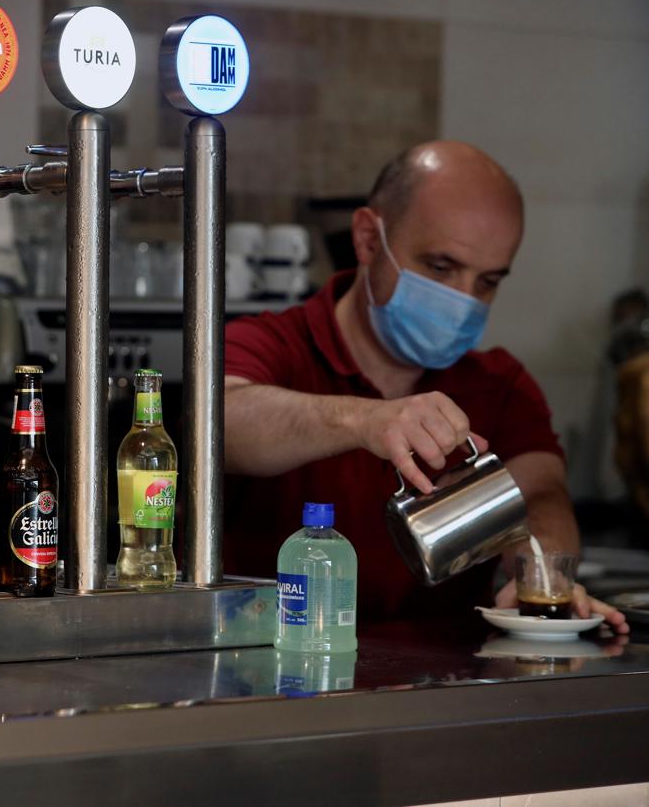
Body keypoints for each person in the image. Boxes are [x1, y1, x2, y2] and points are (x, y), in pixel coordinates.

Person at [223, 141, 629, 633]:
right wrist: (366, 419)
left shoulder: (499, 385)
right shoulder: (268, 345)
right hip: (272, 669)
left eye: (488, 281)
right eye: (441, 267)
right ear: (370, 240)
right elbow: (221, 423)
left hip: (438, 688)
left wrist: (538, 579)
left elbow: (540, 494)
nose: (464, 300)